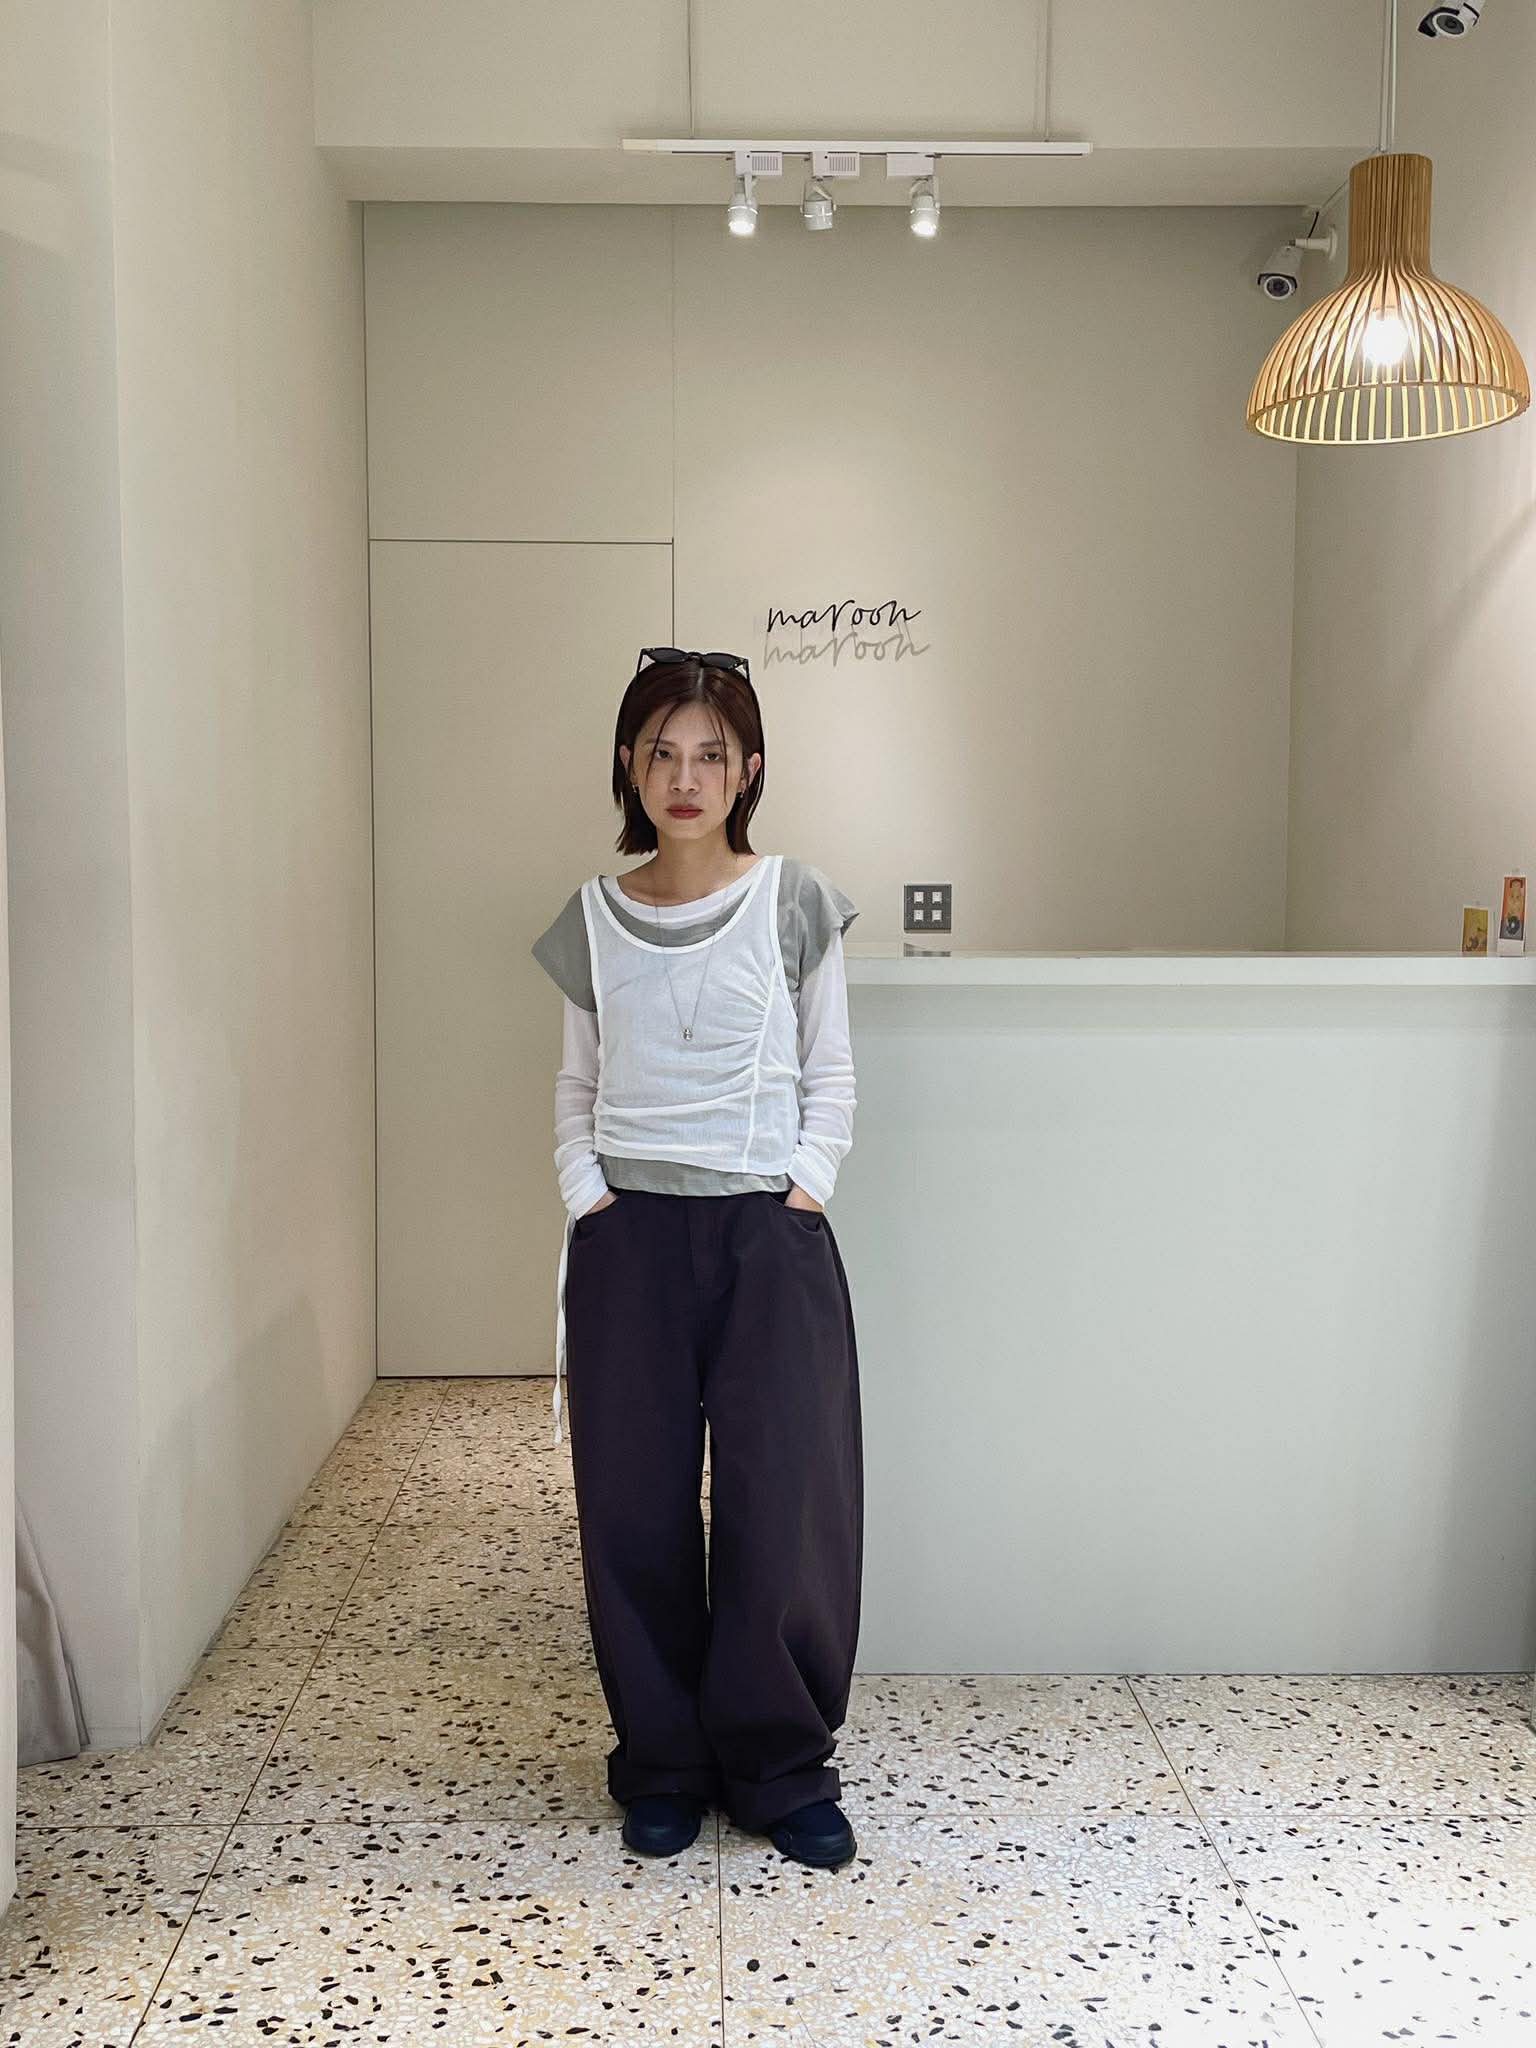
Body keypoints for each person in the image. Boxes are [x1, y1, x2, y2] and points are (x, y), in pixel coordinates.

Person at [529, 646, 865, 1874]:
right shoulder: (592, 917)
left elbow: (831, 1072)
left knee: (785, 1504)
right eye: (662, 752)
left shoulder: (795, 900)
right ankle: (665, 1759)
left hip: (769, 1236)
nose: (685, 776)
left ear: (748, 769)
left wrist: (802, 1189)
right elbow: (576, 1084)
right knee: (635, 1504)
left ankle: (779, 1764)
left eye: (710, 754)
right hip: (631, 1244)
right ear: (629, 764)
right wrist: (592, 1201)